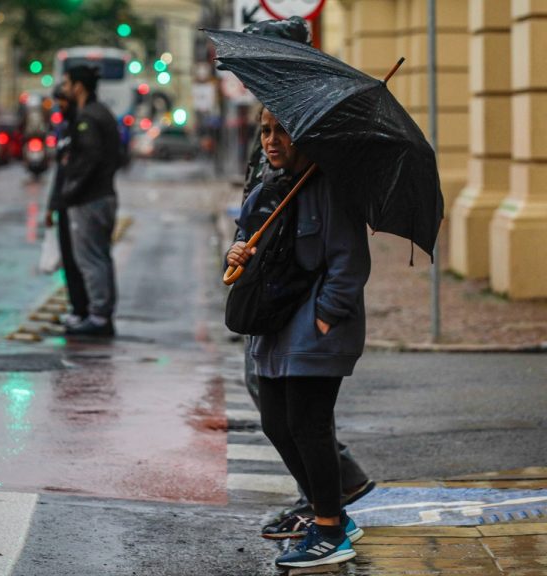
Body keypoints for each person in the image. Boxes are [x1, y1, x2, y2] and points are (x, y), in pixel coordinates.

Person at [238, 18, 375, 542]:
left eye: (278, 131)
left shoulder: (324, 170)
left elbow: (347, 259)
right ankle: (325, 503)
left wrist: (322, 317)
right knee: (278, 416)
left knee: (305, 420)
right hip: (273, 309)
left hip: (306, 318)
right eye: (265, 131)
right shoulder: (277, 139)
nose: (271, 138)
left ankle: (327, 517)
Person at [60, 65, 121, 338]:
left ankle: (98, 317)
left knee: (91, 259)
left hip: (91, 199)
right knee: (100, 257)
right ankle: (101, 313)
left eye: (66, 84)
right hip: (103, 195)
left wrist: (71, 191)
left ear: (78, 87)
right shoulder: (103, 112)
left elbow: (89, 159)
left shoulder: (88, 117)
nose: (64, 90)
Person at [44, 84, 89, 328]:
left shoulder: (81, 125)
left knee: (80, 259)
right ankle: (77, 307)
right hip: (64, 202)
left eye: (63, 101)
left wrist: (72, 195)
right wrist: (51, 207)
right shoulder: (63, 129)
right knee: (68, 260)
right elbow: (59, 173)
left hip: (78, 203)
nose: (60, 106)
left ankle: (86, 310)